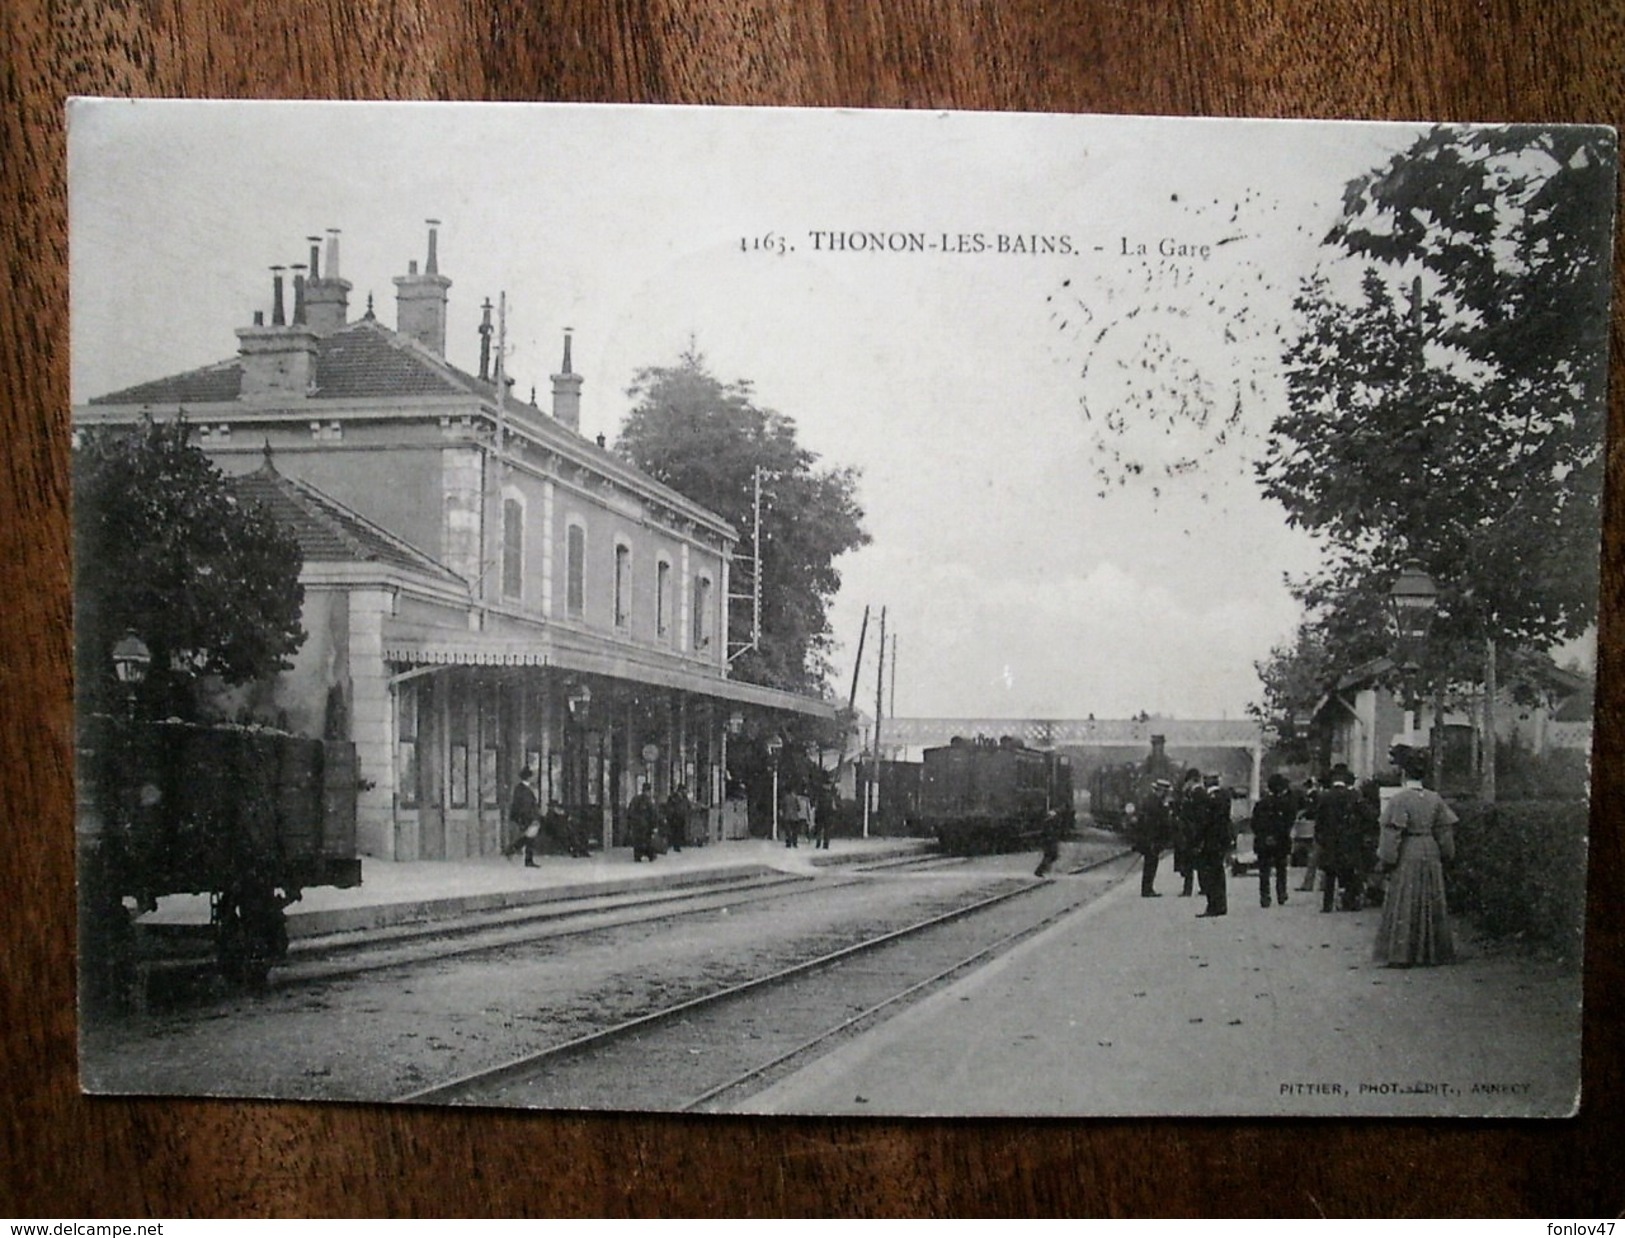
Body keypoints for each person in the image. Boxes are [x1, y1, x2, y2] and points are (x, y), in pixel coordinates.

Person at [1373, 749, 1458, 966]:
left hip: (1408, 851)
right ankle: (1433, 952)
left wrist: (1386, 860)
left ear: (1403, 773)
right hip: (1430, 850)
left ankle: (1404, 953)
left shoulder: (1399, 800)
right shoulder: (1435, 798)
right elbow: (1445, 833)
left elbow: (1391, 834)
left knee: (1405, 899)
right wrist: (1447, 855)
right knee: (1431, 898)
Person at [1315, 764, 1366, 912]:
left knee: (1330, 873)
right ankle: (1348, 902)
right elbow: (1365, 816)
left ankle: (1327, 904)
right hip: (1349, 840)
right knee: (1349, 871)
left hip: (1330, 840)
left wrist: (1320, 837)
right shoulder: (1354, 796)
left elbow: (1319, 820)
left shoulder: (1325, 797)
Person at [1251, 773, 1295, 908]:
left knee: (1264, 870)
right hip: (1281, 840)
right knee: (1281, 868)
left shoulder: (1260, 804)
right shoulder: (1286, 804)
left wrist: (1264, 835)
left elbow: (1254, 823)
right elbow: (1289, 822)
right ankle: (1281, 893)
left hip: (1263, 841)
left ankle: (1265, 896)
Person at [1194, 774, 1232, 917]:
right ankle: (1220, 905)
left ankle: (1213, 906)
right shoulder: (1224, 796)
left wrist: (1198, 839)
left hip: (1210, 841)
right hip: (1220, 841)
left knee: (1209, 874)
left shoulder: (1210, 799)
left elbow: (1205, 821)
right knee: (1218, 873)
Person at [1134, 779, 1174, 896]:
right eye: (1165, 792)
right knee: (1150, 864)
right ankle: (1147, 889)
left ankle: (1148, 888)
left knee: (1150, 863)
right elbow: (1158, 821)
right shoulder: (1155, 802)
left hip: (1150, 838)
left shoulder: (1151, 800)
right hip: (1152, 838)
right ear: (1161, 791)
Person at [1172, 768, 1206, 897]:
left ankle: (1194, 889)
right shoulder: (1191, 793)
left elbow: (1196, 814)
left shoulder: (1197, 793)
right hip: (1190, 831)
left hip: (1193, 832)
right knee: (1192, 862)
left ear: (1192, 780)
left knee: (1192, 862)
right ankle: (1197, 888)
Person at [504, 767, 542, 867]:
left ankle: (512, 850)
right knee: (529, 837)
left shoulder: (523, 788)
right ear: (528, 777)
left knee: (529, 837)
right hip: (526, 816)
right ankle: (514, 851)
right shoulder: (523, 789)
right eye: (532, 776)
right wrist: (532, 817)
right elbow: (525, 805)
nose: (534, 778)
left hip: (526, 816)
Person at [1295, 776, 1322, 892]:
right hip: (1316, 829)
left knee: (1313, 857)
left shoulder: (1314, 796)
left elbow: (1312, 810)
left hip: (1311, 828)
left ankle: (1308, 884)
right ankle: (1321, 884)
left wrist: (1304, 814)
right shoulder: (1317, 795)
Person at [628, 782, 660, 862]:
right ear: (648, 791)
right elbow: (653, 814)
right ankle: (650, 856)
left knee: (638, 841)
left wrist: (630, 824)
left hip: (637, 825)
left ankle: (638, 856)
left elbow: (630, 812)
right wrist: (654, 826)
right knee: (648, 841)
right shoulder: (649, 801)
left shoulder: (635, 799)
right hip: (646, 825)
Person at [1033, 810, 1063, 877]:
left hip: (1051, 841)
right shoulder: (1048, 823)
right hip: (1048, 842)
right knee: (1050, 856)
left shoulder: (1052, 824)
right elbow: (1046, 833)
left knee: (1052, 856)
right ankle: (1039, 871)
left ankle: (1042, 870)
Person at [663, 784, 690, 853]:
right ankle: (675, 845)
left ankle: (677, 844)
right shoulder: (674, 797)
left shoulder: (684, 797)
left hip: (680, 817)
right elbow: (671, 806)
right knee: (675, 831)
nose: (685, 791)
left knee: (678, 831)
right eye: (684, 789)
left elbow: (687, 805)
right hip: (675, 817)